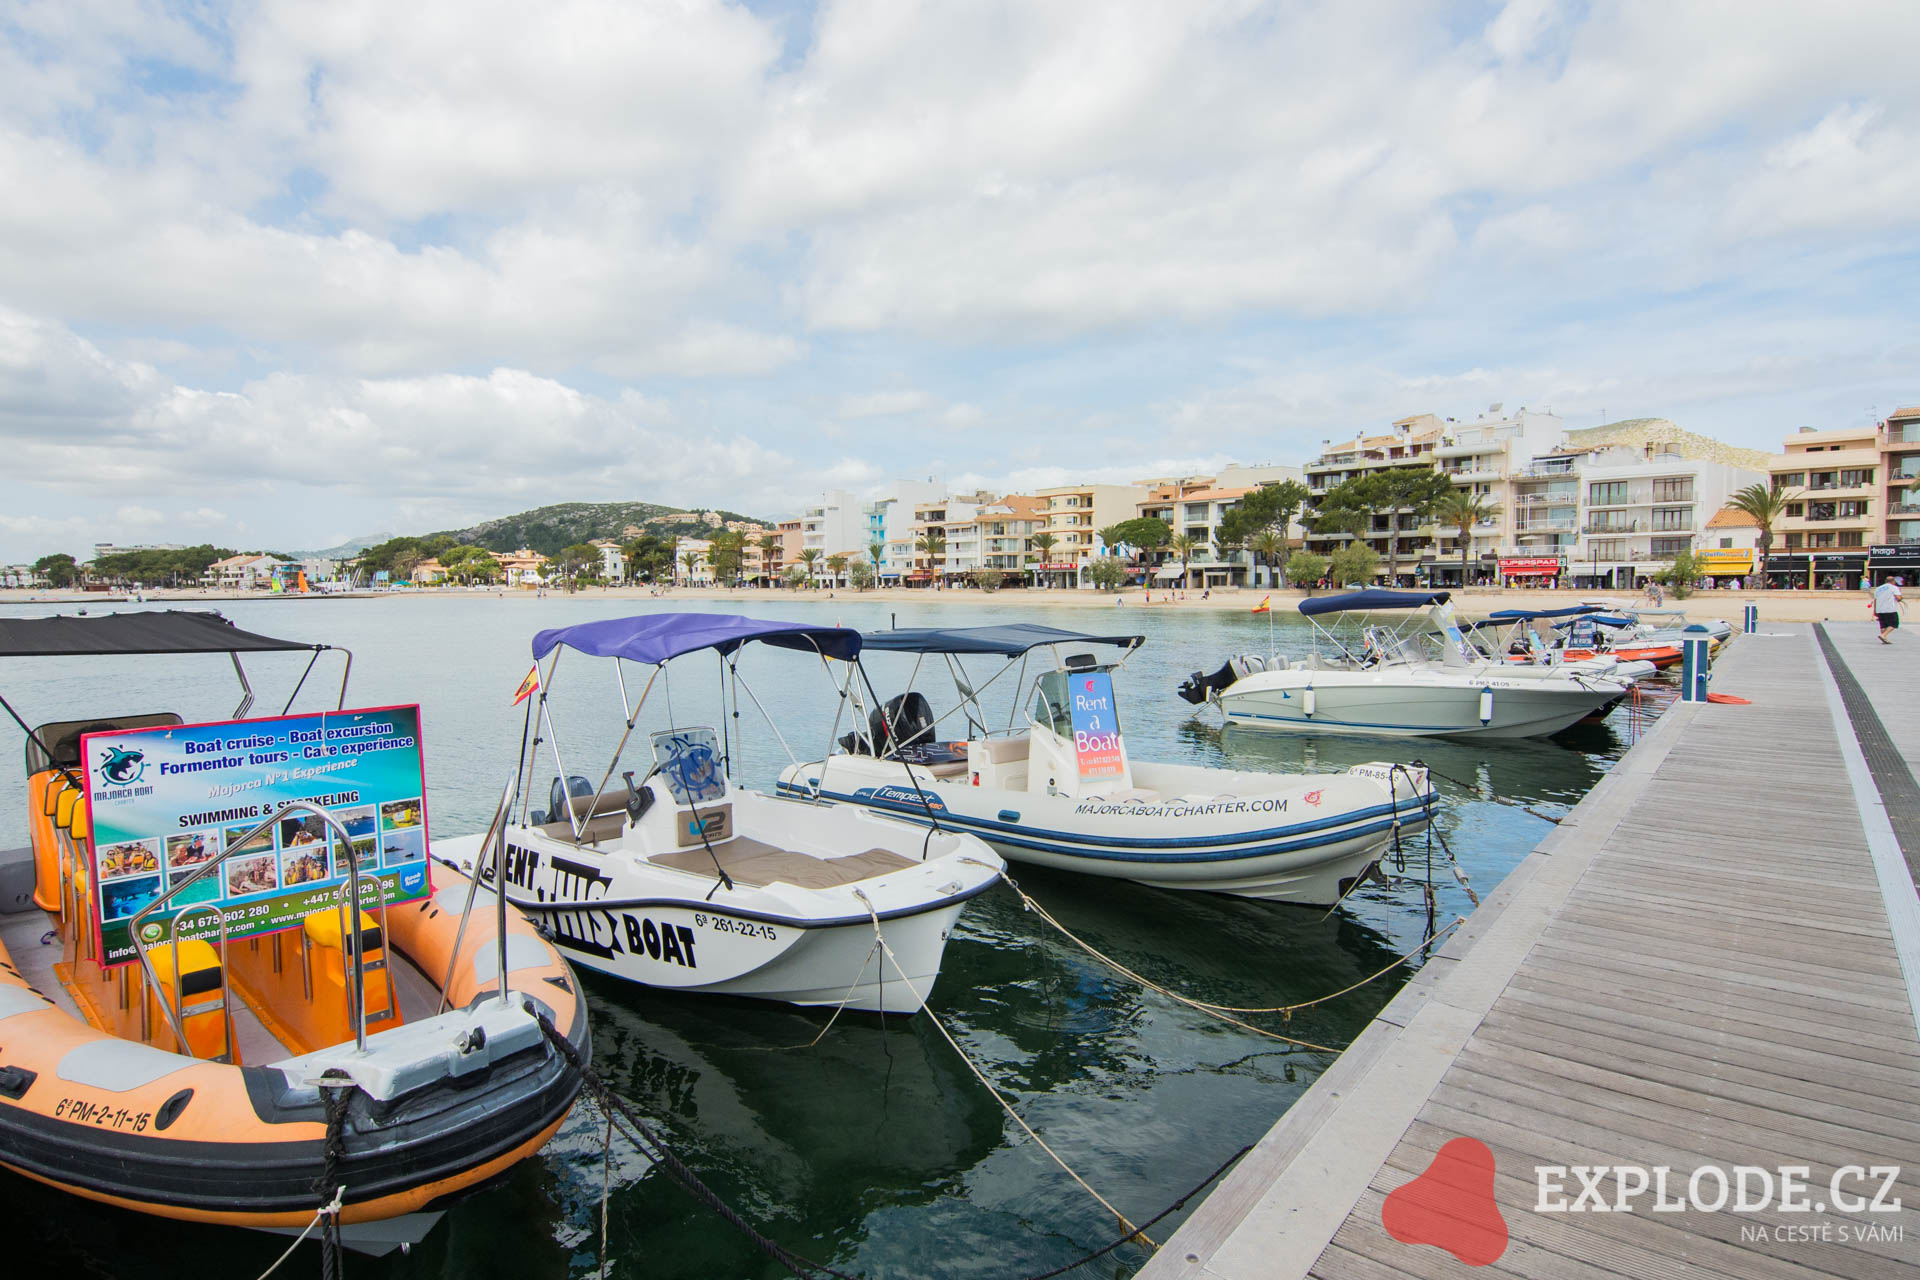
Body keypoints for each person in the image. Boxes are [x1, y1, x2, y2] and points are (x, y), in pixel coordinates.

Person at [1873, 576, 1905, 644]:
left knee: (1883, 625)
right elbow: (1899, 598)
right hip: (1890, 609)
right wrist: (1901, 597)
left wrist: (1875, 611)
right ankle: (1883, 635)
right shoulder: (1894, 587)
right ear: (1893, 581)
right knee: (1894, 624)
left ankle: (1884, 638)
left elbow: (1875, 600)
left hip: (1879, 609)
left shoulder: (1878, 588)